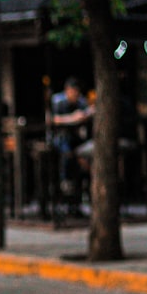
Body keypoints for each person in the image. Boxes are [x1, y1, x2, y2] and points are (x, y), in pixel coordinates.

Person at [50, 77, 93, 208]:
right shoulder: (58, 101)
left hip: (77, 139)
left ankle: (80, 189)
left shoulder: (81, 101)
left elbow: (86, 113)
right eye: (72, 91)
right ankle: (65, 180)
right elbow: (54, 119)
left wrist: (87, 113)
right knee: (67, 150)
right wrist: (73, 118)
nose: (74, 94)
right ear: (67, 90)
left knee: (83, 155)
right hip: (60, 138)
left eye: (76, 92)